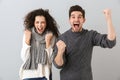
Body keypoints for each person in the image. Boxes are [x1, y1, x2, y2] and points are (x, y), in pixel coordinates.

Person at [53, 5, 116, 80]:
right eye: (73, 17)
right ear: (69, 20)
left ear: (84, 20)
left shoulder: (90, 35)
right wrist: (60, 52)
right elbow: (58, 65)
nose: (76, 19)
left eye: (79, 17)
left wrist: (108, 19)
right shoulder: (62, 38)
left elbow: (110, 42)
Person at [19, 8, 59, 80]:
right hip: (28, 75)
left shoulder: (51, 36)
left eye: (42, 22)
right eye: (37, 22)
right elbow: (24, 58)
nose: (40, 25)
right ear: (34, 23)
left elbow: (50, 60)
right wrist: (27, 40)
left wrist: (48, 43)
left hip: (44, 75)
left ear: (46, 23)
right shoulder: (28, 34)